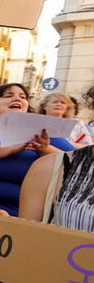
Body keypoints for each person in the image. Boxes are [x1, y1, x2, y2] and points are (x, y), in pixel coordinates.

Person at [0, 83, 75, 215]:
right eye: (9, 95)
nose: (17, 99)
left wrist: (45, 150)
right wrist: (9, 149)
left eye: (23, 97)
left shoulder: (44, 132)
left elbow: (77, 163)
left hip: (26, 216)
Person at [20, 84, 94, 231]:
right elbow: (27, 238)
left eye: (62, 102)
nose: (59, 105)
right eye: (55, 102)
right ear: (45, 106)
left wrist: (54, 147)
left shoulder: (75, 125)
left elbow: (85, 144)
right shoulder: (48, 168)